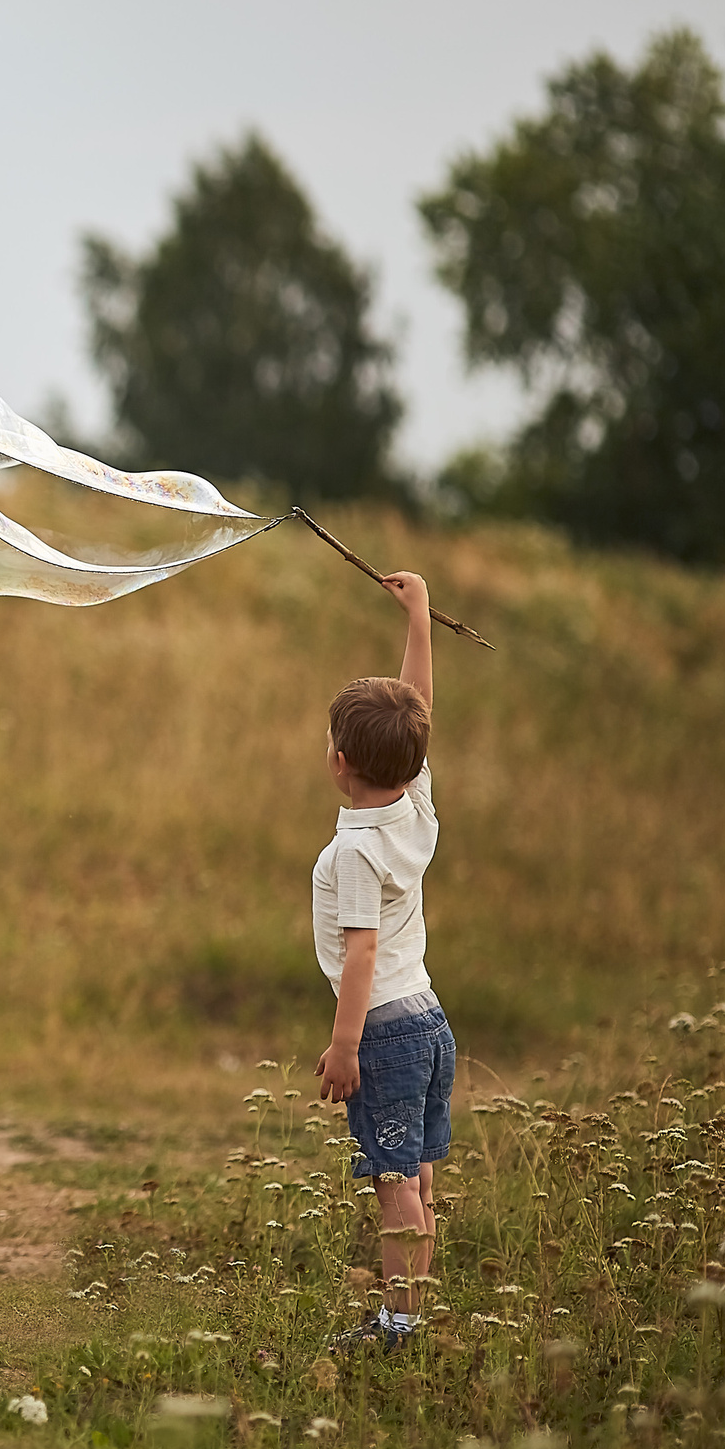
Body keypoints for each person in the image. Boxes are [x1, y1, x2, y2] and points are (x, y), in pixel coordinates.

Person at [311, 570, 453, 1352]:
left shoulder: (356, 851)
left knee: (394, 1182)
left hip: (388, 1032)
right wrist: (420, 620)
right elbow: (417, 709)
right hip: (430, 1020)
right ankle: (412, 1313)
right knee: (419, 1172)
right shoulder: (413, 806)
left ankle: (400, 1326)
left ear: (338, 761)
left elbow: (359, 953)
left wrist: (344, 1043)